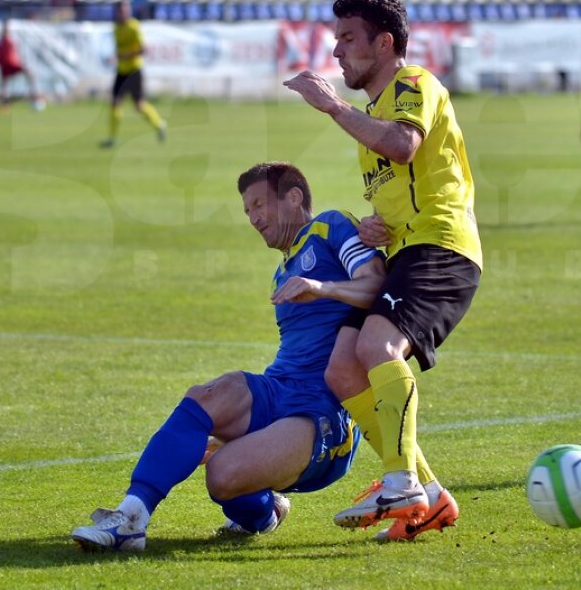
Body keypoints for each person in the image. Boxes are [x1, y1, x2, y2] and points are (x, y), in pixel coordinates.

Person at [71, 162, 386, 551]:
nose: (253, 218)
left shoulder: (330, 226)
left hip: (325, 412)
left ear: (293, 197)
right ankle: (132, 516)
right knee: (206, 395)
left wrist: (321, 287)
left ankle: (263, 508)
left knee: (221, 475)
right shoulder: (283, 267)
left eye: (258, 205)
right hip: (280, 387)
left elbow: (378, 286)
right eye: (247, 211)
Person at [284, 0, 482, 542]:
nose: (337, 52)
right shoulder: (371, 114)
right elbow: (398, 182)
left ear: (384, 42)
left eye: (348, 38)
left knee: (378, 349)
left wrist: (331, 106)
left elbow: (403, 145)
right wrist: (376, 227)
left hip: (441, 247)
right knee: (343, 367)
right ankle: (430, 495)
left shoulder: (413, 83)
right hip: (404, 252)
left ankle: (400, 483)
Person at [101, 0, 166, 147]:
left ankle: (159, 124)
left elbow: (143, 49)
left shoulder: (134, 27)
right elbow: (119, 50)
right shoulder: (116, 28)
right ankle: (113, 138)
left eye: (125, 10)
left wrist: (122, 56)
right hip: (121, 71)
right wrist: (115, 58)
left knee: (139, 106)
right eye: (120, 11)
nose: (123, 13)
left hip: (134, 71)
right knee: (114, 103)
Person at [0, 19, 44, 110]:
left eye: (8, 28)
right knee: (4, 84)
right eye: (5, 28)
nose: (6, 30)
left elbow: (15, 53)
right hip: (5, 65)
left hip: (14, 64)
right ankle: (4, 104)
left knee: (30, 74)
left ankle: (34, 97)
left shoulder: (12, 39)